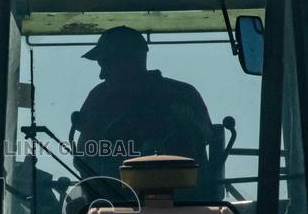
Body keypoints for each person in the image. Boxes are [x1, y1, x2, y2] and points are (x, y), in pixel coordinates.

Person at [72, 26, 212, 181]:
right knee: (75, 205)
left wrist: (188, 125)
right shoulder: (99, 97)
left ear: (131, 61)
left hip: (185, 195)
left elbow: (206, 135)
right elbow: (85, 152)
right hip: (113, 195)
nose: (102, 74)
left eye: (107, 64)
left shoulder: (182, 94)